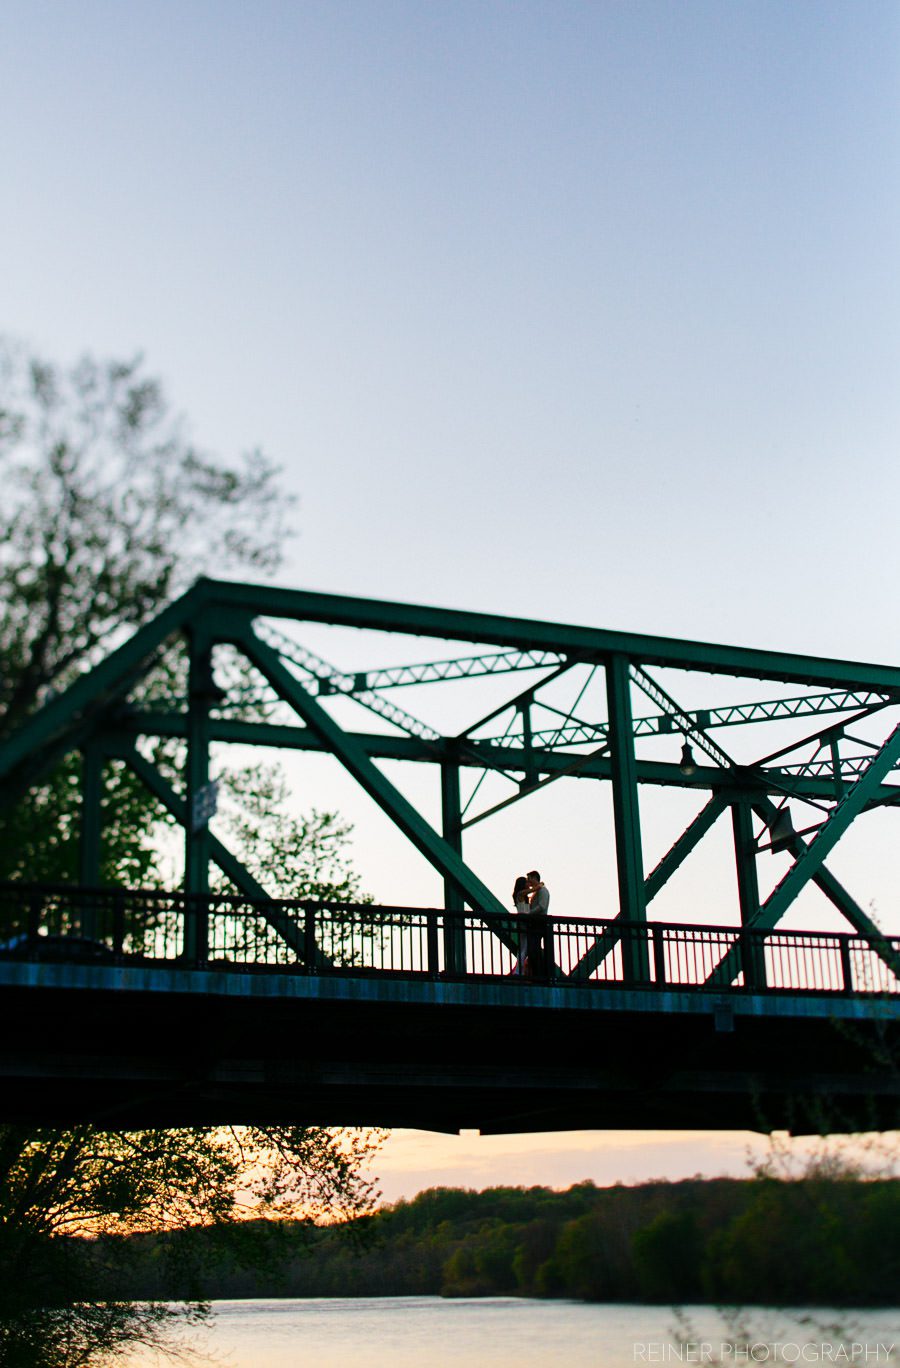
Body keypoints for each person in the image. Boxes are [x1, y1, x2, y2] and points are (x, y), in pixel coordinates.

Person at [525, 869, 552, 980]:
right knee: (533, 948)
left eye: (529, 879)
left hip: (539, 923)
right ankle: (537, 973)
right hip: (536, 923)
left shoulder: (543, 891)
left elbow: (542, 906)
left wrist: (528, 914)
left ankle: (539, 974)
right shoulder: (538, 891)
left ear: (535, 878)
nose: (528, 882)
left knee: (534, 948)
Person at [511, 875, 530, 975]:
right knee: (524, 948)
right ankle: (519, 971)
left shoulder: (521, 895)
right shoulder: (520, 894)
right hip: (524, 923)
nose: (528, 884)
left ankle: (518, 970)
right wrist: (539, 885)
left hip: (522, 922)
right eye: (526, 882)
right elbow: (534, 889)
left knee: (522, 948)